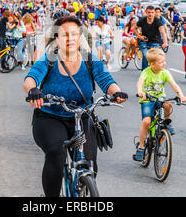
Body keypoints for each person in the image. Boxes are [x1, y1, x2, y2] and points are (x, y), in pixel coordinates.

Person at [23, 15, 128, 197]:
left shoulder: (89, 59)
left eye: (74, 34)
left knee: (90, 165)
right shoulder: (49, 59)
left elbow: (106, 80)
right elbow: (31, 78)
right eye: (65, 35)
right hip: (50, 117)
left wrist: (116, 92)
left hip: (82, 115)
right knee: (56, 153)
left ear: (80, 37)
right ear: (57, 38)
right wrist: (33, 90)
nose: (70, 38)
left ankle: (83, 188)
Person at [134, 48, 186, 160]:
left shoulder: (165, 73)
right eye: (161, 62)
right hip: (147, 99)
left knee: (167, 104)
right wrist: (140, 91)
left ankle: (166, 123)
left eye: (164, 61)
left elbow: (174, 85)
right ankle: (141, 147)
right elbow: (140, 83)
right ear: (152, 64)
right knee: (146, 121)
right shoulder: (146, 72)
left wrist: (181, 95)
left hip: (160, 98)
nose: (164, 63)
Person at [132, 5, 168, 70]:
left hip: (155, 42)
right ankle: (144, 72)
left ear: (154, 13)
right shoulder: (143, 20)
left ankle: (156, 72)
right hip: (144, 41)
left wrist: (165, 42)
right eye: (149, 12)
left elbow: (163, 32)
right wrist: (139, 36)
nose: (150, 14)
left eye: (152, 12)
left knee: (156, 58)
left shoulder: (157, 21)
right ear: (146, 12)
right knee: (146, 56)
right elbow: (134, 28)